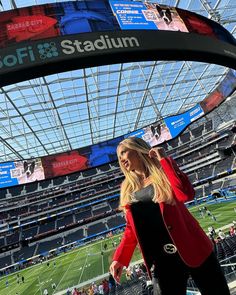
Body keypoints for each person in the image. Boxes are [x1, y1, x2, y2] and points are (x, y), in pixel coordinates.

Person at [109, 137, 230, 295]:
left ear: (138, 150)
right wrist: (120, 258)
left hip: (193, 248)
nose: (121, 159)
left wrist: (165, 160)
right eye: (119, 157)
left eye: (124, 153)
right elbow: (132, 228)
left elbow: (186, 194)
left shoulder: (163, 171)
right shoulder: (126, 189)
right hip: (162, 260)